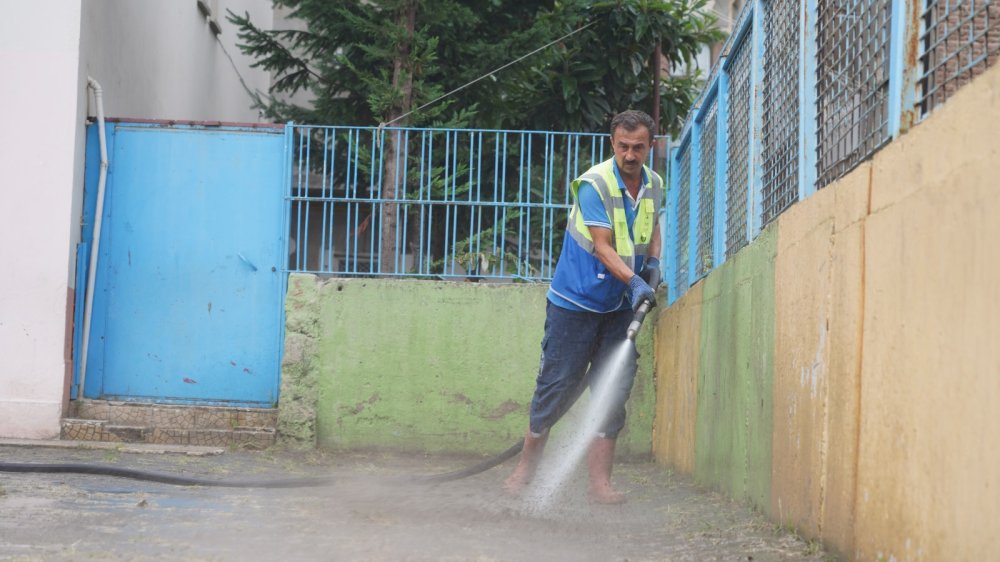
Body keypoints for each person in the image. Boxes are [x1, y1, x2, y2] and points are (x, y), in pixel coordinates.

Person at [503, 109, 663, 504]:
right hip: (575, 303)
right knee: (557, 386)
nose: (630, 154)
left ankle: (600, 485)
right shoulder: (594, 184)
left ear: (650, 147)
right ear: (612, 143)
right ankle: (525, 470)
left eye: (638, 147)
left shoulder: (655, 183)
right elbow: (603, 245)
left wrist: (655, 263)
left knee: (614, 390)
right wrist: (637, 280)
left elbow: (652, 226)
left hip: (620, 306)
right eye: (623, 146)